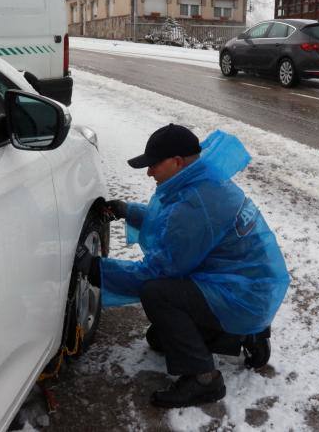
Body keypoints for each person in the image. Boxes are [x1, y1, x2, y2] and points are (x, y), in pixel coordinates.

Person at [75, 124, 290, 408]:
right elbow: (172, 223)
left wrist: (96, 268)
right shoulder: (206, 180)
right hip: (256, 287)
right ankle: (246, 335)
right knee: (160, 337)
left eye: (153, 165)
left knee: (157, 293)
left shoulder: (196, 203)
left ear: (176, 162)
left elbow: (157, 271)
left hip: (242, 296)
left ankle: (204, 380)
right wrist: (129, 212)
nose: (149, 172)